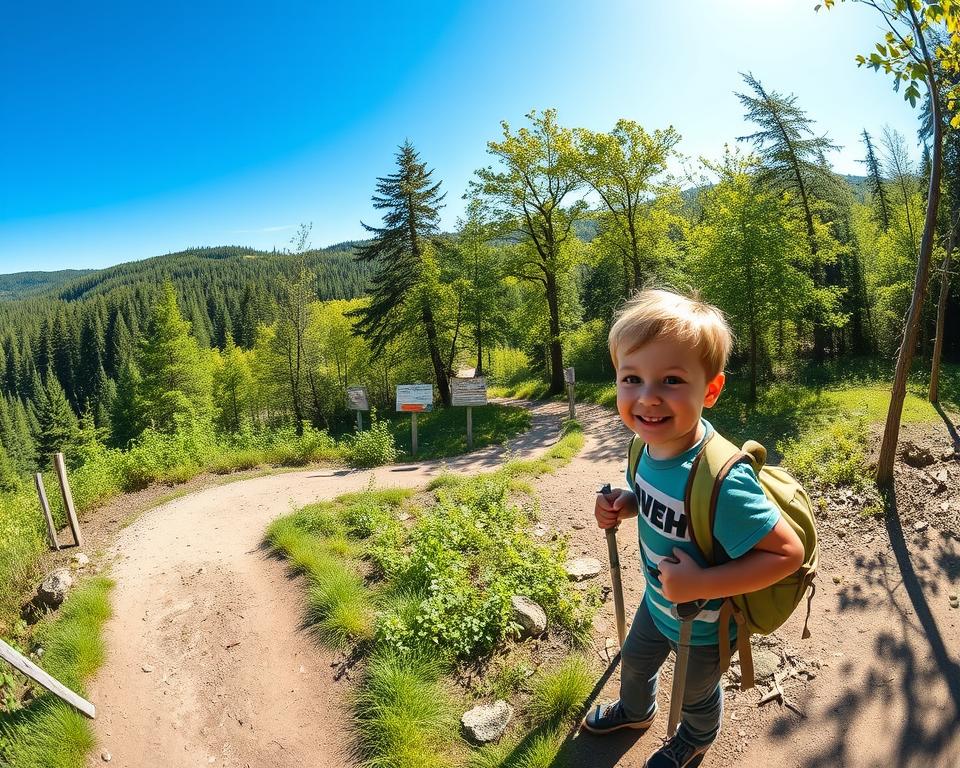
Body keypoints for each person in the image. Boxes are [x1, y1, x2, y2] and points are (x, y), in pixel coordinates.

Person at [582, 288, 804, 768]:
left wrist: (701, 583)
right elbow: (656, 500)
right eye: (632, 378)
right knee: (636, 664)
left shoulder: (721, 479)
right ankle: (636, 712)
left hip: (704, 626)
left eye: (671, 380)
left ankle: (697, 735)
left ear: (710, 390)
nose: (648, 397)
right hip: (658, 602)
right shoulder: (643, 446)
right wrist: (625, 504)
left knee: (696, 693)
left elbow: (787, 554)